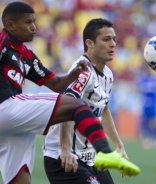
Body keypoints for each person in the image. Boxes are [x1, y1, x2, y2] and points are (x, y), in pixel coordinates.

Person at [0, 2, 140, 184]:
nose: (34, 27)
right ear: (11, 25)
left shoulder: (26, 56)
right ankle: (105, 153)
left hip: (13, 128)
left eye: (34, 21)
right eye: (28, 22)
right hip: (3, 109)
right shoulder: (0, 39)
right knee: (76, 104)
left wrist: (72, 75)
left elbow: (56, 84)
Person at [43, 18, 136, 184]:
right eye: (106, 39)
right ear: (90, 43)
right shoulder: (82, 72)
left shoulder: (107, 74)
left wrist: (119, 146)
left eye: (114, 39)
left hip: (91, 157)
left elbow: (104, 110)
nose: (113, 44)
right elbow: (67, 107)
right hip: (64, 157)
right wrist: (65, 149)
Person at [138, 65, 156, 150]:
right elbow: (139, 90)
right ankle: (148, 139)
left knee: (154, 121)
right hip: (145, 104)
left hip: (153, 104)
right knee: (146, 121)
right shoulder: (143, 79)